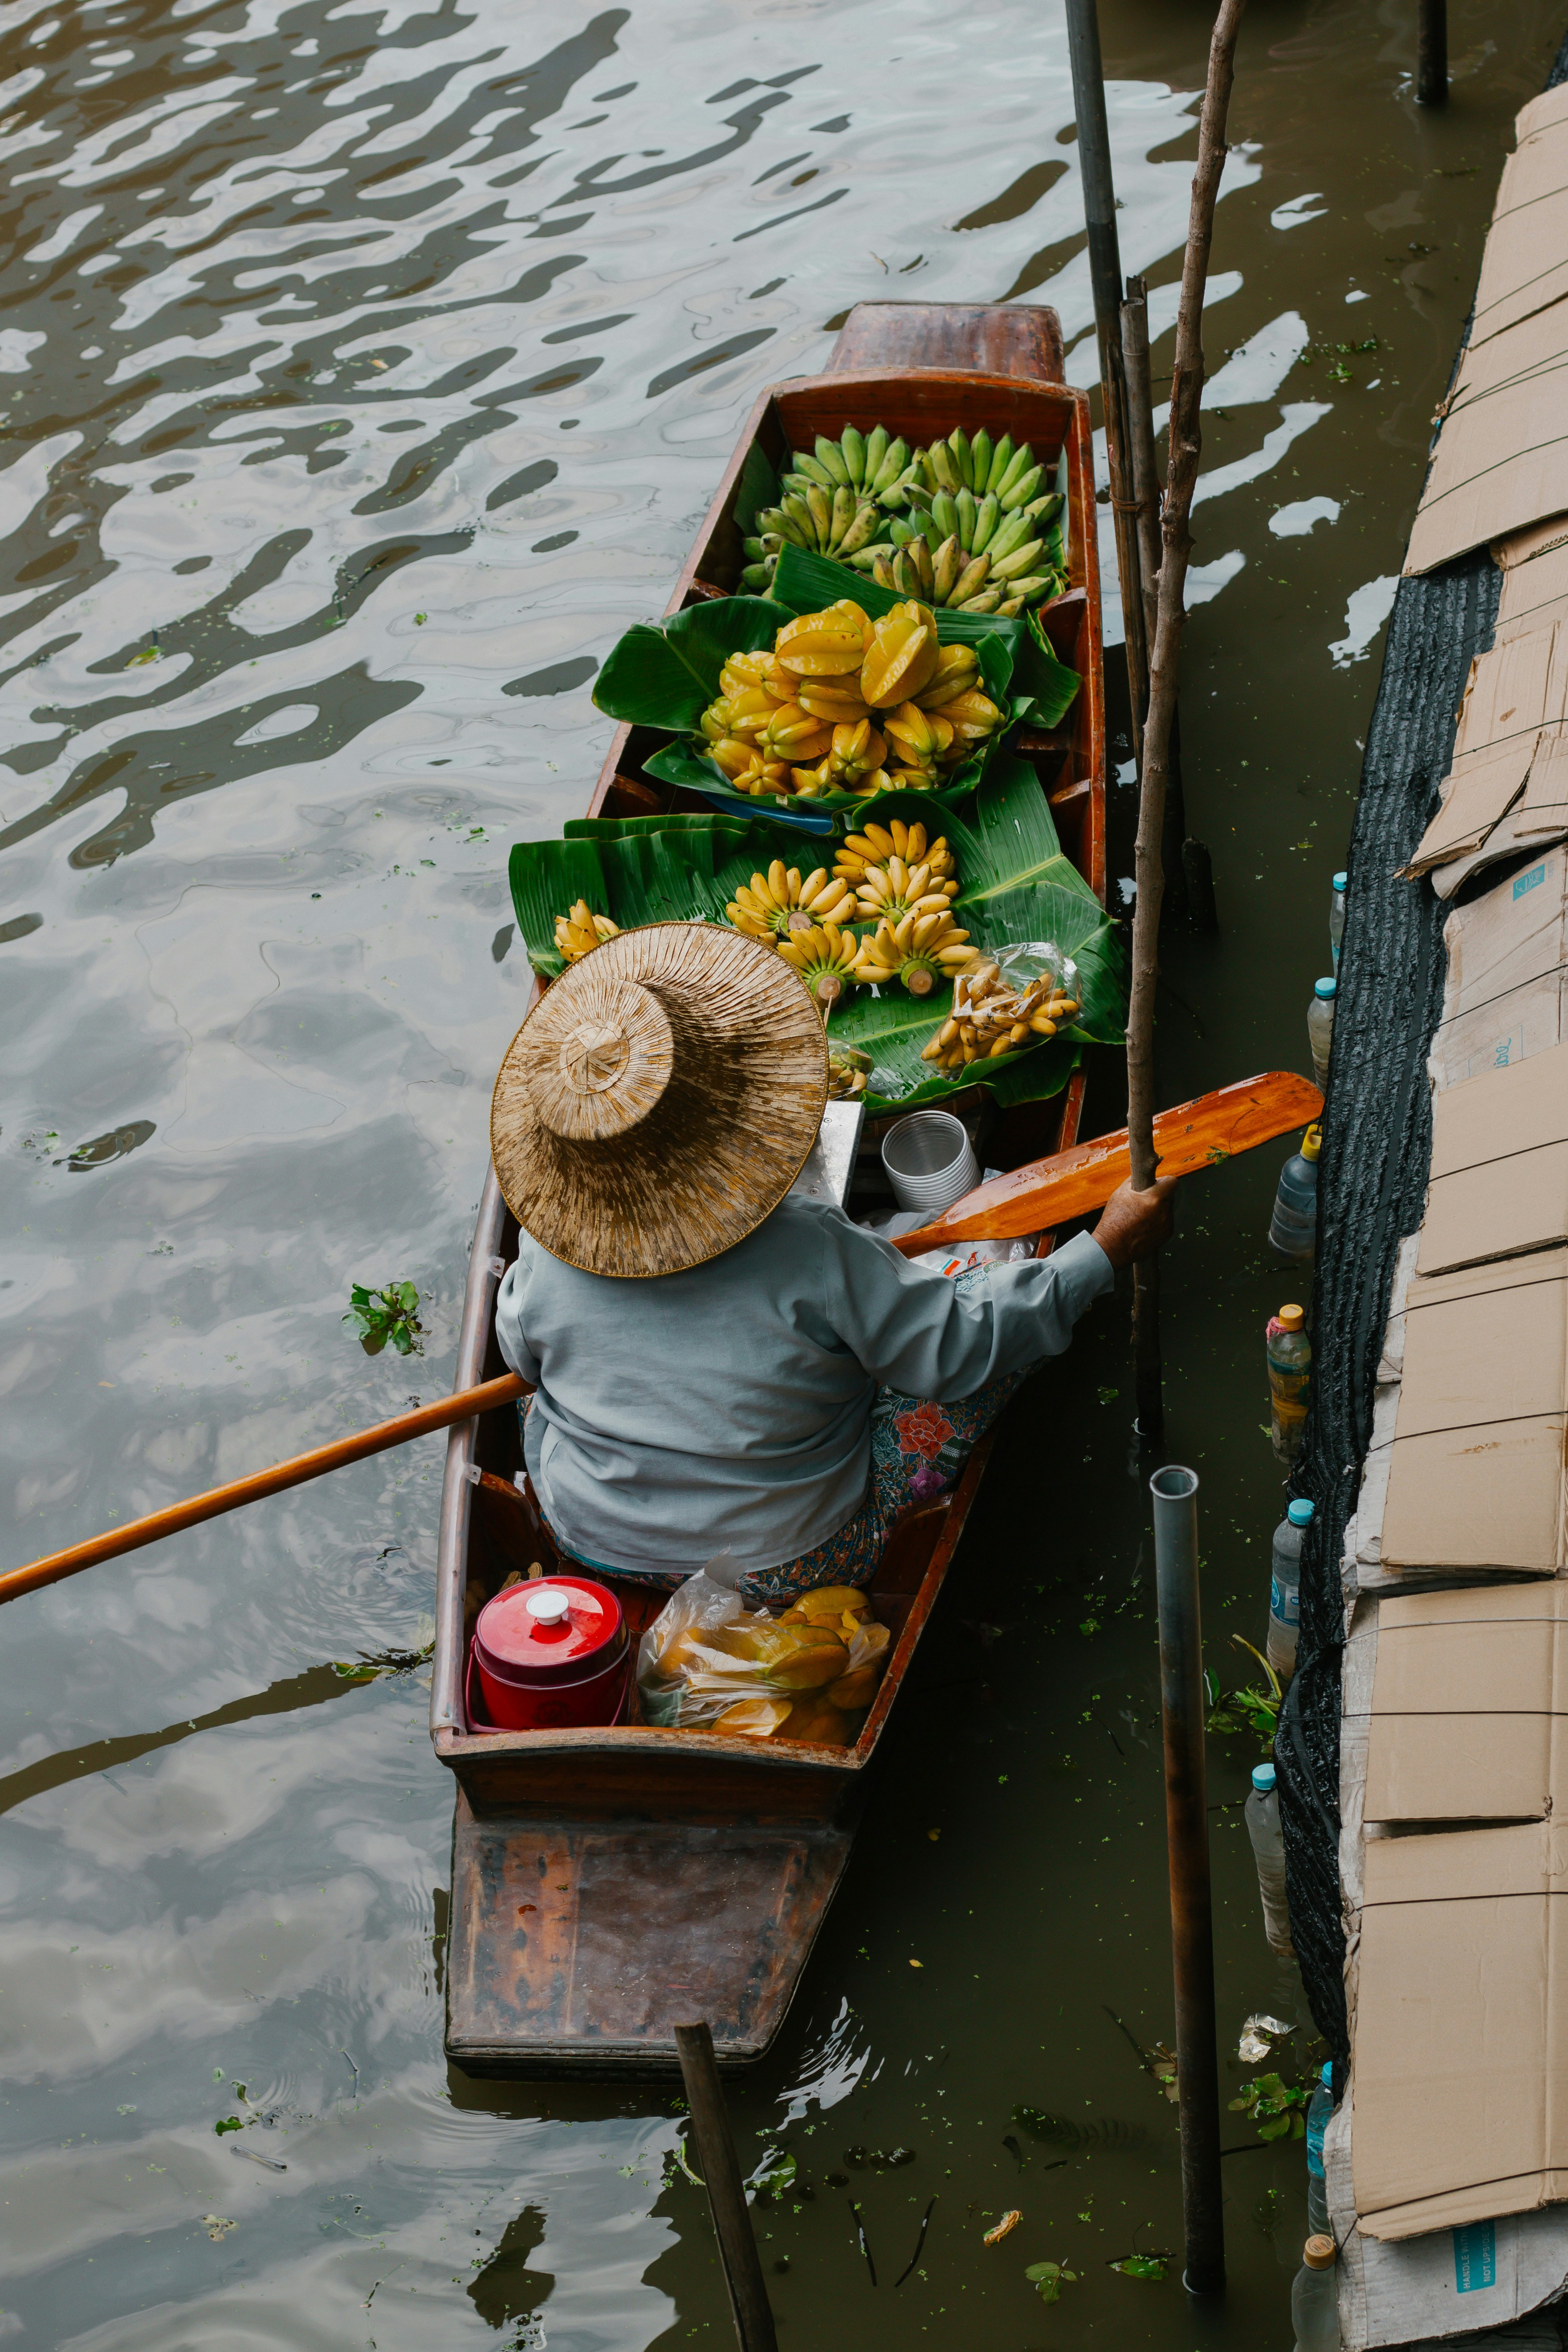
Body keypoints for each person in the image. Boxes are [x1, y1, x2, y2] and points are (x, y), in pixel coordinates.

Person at [490, 921, 1174, 1607]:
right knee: (977, 1345)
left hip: (587, 1529)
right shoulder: (809, 1245)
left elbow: (523, 1360)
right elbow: (957, 1346)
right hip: (786, 1558)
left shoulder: (551, 1245)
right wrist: (1106, 1247)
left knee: (541, 1399)